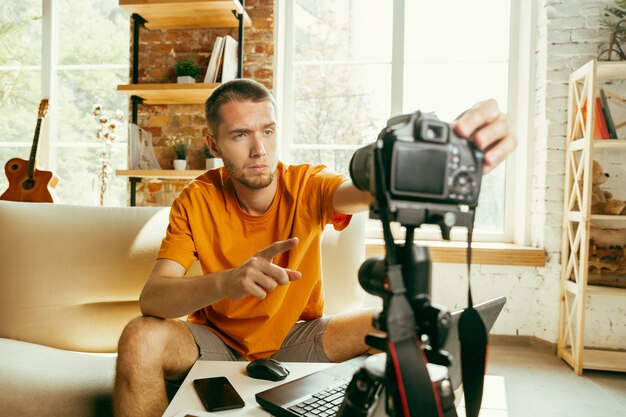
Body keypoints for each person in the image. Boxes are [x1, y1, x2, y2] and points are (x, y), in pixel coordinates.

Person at [113, 78, 517, 417]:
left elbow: (360, 191)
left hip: (297, 335)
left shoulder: (306, 183)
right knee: (139, 337)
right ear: (213, 143)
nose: (259, 150)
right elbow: (154, 298)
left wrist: (433, 157)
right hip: (215, 339)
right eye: (240, 135)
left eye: (267, 131)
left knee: (406, 321)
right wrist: (228, 282)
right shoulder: (195, 200)